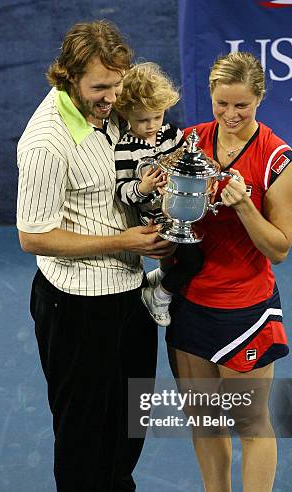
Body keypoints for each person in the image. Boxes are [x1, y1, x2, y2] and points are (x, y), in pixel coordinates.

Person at [16, 21, 181, 492]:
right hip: (75, 302)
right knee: (83, 422)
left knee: (131, 409)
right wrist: (125, 240)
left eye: (116, 86)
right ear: (69, 78)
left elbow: (122, 181)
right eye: (100, 90)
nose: (113, 100)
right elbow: (34, 236)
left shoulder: (109, 114)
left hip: (127, 290)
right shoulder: (45, 142)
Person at [164, 51, 292, 492]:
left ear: (259, 100)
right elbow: (174, 213)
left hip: (245, 308)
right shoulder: (191, 143)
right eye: (222, 104)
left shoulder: (277, 163)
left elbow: (282, 247)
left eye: (241, 105)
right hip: (192, 301)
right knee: (203, 416)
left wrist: (245, 207)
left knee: (249, 424)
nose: (230, 114)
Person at [114, 62, 204, 326]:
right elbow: (122, 191)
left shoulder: (172, 134)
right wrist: (143, 188)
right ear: (126, 113)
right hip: (153, 220)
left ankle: (161, 278)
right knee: (193, 261)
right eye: (142, 120)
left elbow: (186, 163)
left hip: (179, 211)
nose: (152, 125)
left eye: (157, 116)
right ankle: (161, 296)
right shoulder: (124, 149)